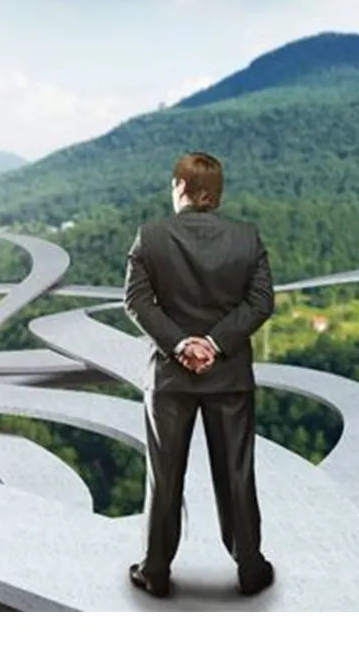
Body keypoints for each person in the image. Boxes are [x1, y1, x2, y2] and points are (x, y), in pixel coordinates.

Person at [122, 151, 276, 599]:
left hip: (169, 380)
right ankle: (249, 567)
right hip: (228, 379)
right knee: (236, 472)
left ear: (180, 187)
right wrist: (215, 344)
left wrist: (180, 344)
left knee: (165, 476)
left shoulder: (149, 237)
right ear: (218, 192)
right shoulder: (247, 239)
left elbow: (136, 301)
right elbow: (261, 302)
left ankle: (155, 571)